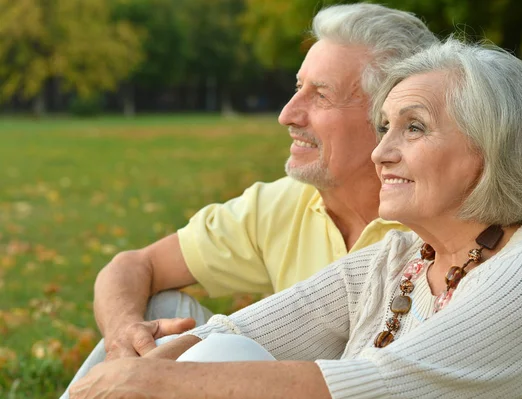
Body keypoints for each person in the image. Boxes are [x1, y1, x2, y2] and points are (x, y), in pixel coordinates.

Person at [69, 39, 522, 398]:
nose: (381, 153)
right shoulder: (401, 259)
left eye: (413, 128)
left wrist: (155, 383)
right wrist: (134, 370)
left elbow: (377, 386)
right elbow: (247, 328)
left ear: (491, 147)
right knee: (214, 344)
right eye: (383, 127)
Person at [61, 3, 439, 396]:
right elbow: (134, 265)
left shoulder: (440, 223)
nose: (288, 114)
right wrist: (123, 335)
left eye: (321, 96)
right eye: (298, 89)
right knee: (158, 314)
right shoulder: (280, 204)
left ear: (390, 117)